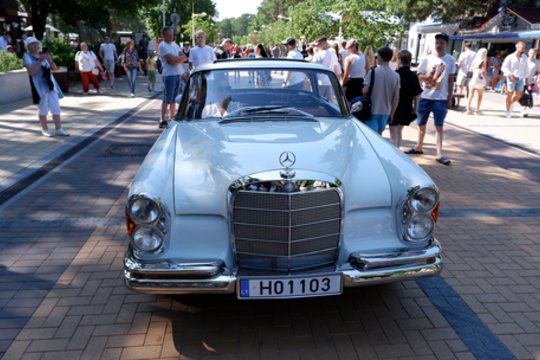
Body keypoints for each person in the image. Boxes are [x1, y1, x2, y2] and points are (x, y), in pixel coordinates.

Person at [405, 33, 455, 166]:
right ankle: (419, 147)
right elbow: (419, 75)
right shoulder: (427, 59)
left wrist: (450, 97)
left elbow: (450, 79)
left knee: (439, 126)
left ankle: (439, 153)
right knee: (421, 124)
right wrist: (426, 77)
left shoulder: (450, 60)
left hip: (440, 98)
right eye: (437, 42)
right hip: (426, 96)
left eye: (441, 43)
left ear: (446, 44)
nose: (439, 45)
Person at [23, 37, 69, 137]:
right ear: (28, 47)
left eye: (36, 44)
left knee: (55, 107)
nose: (34, 46)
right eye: (32, 44)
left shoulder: (43, 55)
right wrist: (39, 61)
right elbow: (32, 72)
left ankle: (59, 129)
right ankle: (45, 129)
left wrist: (49, 60)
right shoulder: (27, 56)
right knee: (43, 108)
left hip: (51, 85)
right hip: (39, 86)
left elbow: (55, 69)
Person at [362, 46, 400, 135]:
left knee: (370, 137)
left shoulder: (373, 72)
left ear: (380, 57)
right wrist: (392, 113)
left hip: (372, 109)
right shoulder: (396, 76)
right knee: (379, 136)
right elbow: (396, 97)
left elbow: (365, 91)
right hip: (386, 111)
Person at [388, 50, 422, 148]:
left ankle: (393, 155)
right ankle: (398, 154)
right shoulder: (413, 76)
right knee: (399, 132)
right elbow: (418, 94)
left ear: (399, 60)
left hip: (395, 107)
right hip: (407, 108)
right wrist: (415, 109)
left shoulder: (395, 74)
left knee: (393, 134)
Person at [158, 26, 188, 128]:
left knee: (173, 99)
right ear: (164, 35)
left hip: (177, 74)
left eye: (172, 34)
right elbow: (172, 62)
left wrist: (176, 58)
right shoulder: (163, 46)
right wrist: (178, 59)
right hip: (169, 75)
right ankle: (162, 120)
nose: (170, 36)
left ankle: (171, 118)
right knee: (167, 98)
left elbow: (184, 57)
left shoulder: (175, 45)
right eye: (168, 35)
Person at [501, 41, 528, 118]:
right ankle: (508, 110)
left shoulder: (525, 57)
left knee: (519, 95)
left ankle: (510, 104)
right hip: (511, 77)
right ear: (517, 47)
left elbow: (526, 68)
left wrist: (526, 78)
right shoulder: (510, 57)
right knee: (510, 94)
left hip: (520, 78)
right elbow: (504, 67)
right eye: (522, 48)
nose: (523, 49)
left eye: (524, 48)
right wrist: (510, 74)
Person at [341, 39, 366, 103]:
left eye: (348, 48)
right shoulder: (364, 57)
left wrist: (342, 84)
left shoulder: (349, 58)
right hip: (361, 82)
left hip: (351, 83)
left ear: (353, 47)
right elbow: (368, 71)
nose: (347, 50)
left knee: (348, 104)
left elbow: (346, 75)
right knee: (359, 104)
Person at [466, 48, 488, 115]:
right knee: (480, 95)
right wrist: (486, 80)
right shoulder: (483, 61)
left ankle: (468, 109)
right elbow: (484, 71)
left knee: (470, 95)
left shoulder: (475, 60)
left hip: (473, 79)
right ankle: (477, 110)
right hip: (479, 80)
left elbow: (471, 70)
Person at [521, 48, 538, 117]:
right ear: (528, 53)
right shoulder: (524, 61)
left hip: (530, 82)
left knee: (527, 96)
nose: (533, 54)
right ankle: (510, 107)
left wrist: (536, 76)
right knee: (518, 95)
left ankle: (523, 111)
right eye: (531, 53)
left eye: (534, 53)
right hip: (521, 81)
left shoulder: (537, 62)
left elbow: (538, 72)